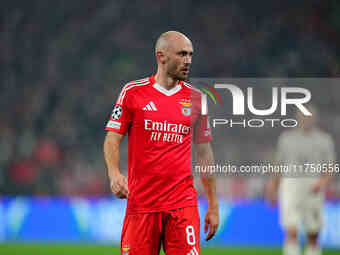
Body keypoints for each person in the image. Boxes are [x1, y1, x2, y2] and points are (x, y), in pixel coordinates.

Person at [103, 31, 219, 255]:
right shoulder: (132, 93)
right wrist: (114, 174)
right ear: (161, 56)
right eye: (182, 54)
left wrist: (213, 205)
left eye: (190, 55)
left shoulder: (197, 99)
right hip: (142, 205)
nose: (188, 61)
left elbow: (205, 154)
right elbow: (111, 139)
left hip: (182, 205)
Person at [266, 104, 336, 255]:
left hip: (313, 185)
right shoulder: (286, 138)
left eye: (309, 116)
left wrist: (323, 182)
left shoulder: (324, 140)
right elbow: (278, 165)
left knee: (313, 232)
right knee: (291, 229)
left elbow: (331, 166)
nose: (306, 119)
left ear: (315, 119)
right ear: (297, 117)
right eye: (303, 116)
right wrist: (273, 187)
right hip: (290, 184)